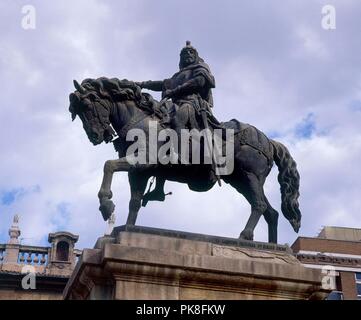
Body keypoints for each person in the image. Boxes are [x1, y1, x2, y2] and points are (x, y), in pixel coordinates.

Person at [136, 41, 216, 206]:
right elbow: (161, 84)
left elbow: (198, 83)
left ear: (195, 56)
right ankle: (159, 188)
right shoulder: (178, 76)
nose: (187, 56)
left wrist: (175, 91)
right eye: (184, 55)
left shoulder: (201, 69)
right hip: (174, 104)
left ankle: (180, 155)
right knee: (158, 127)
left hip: (192, 104)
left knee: (177, 118)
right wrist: (141, 84)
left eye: (190, 54)